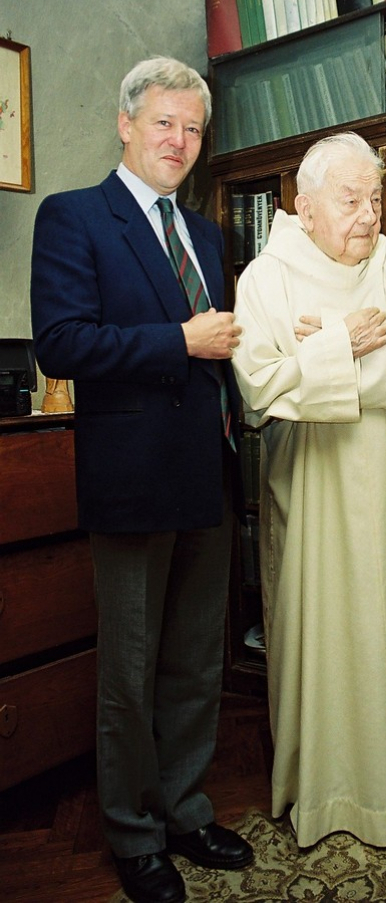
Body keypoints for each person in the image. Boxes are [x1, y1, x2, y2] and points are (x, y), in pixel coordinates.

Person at [30, 56, 253, 903]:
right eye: (164, 122)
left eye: (192, 128)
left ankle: (186, 811)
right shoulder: (74, 216)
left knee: (195, 663)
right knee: (130, 670)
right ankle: (132, 834)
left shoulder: (205, 234)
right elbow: (62, 343)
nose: (179, 141)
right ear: (125, 125)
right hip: (130, 479)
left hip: (208, 471)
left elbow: (224, 351)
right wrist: (179, 342)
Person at [231, 132, 386, 850]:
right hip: (314, 486)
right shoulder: (266, 278)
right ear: (306, 207)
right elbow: (262, 387)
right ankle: (333, 786)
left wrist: (336, 356)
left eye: (374, 199)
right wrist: (341, 343)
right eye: (351, 201)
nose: (369, 215)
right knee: (330, 630)